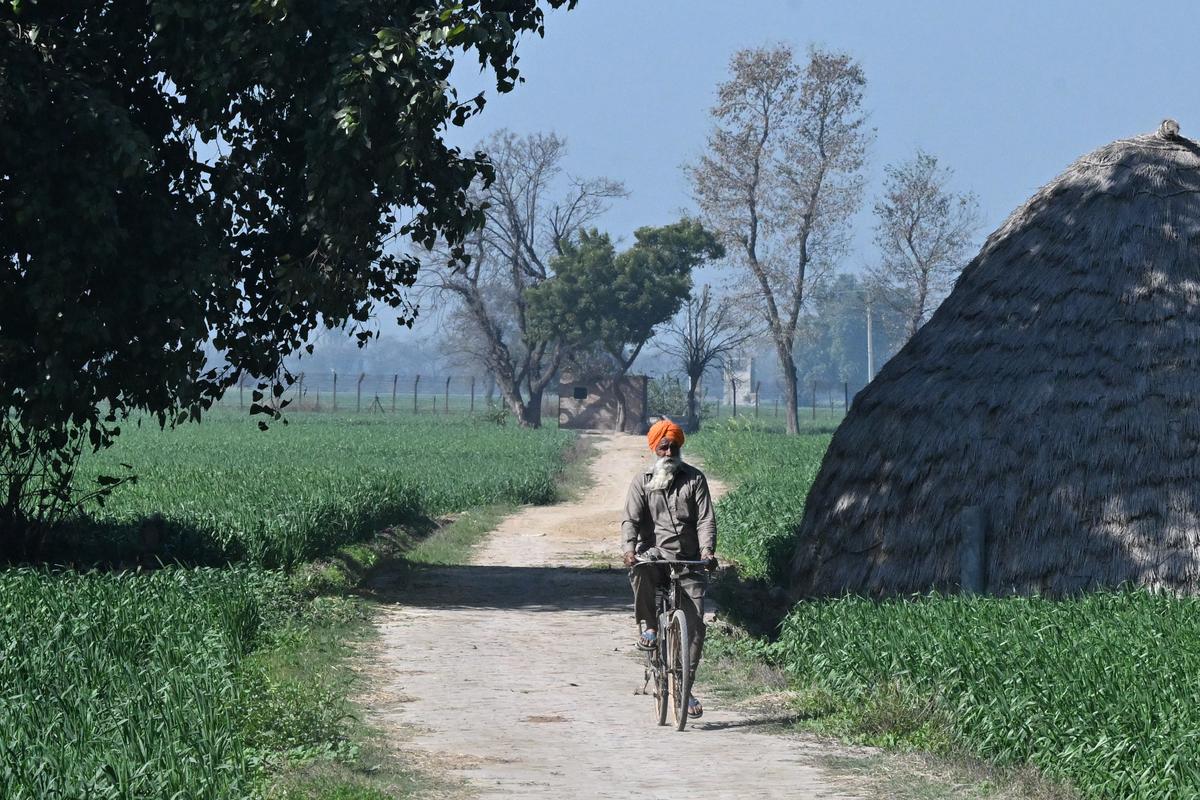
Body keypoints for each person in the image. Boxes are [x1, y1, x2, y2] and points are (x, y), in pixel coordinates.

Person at [621, 418, 717, 718]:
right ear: (655, 448)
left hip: (688, 561)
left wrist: (707, 551)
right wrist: (629, 549)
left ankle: (685, 690)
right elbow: (631, 520)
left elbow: (705, 519)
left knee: (696, 626)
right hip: (655, 556)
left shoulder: (695, 480)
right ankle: (649, 627)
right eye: (663, 447)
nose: (668, 452)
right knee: (640, 572)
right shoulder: (643, 480)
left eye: (673, 447)